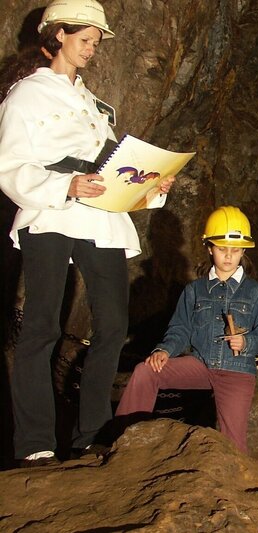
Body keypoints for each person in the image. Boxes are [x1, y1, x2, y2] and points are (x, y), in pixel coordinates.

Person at [0, 0, 175, 467]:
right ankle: (35, 443)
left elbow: (113, 171)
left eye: (97, 43)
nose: (92, 49)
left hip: (100, 215)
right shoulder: (25, 95)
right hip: (51, 210)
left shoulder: (97, 105)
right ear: (57, 36)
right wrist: (63, 184)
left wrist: (152, 185)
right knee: (41, 328)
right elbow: (10, 166)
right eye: (85, 40)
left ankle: (90, 434)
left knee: (114, 325)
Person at [113, 206, 258, 453]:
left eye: (235, 250)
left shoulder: (255, 293)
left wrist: (247, 343)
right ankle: (126, 444)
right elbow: (180, 328)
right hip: (201, 364)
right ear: (209, 248)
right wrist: (165, 350)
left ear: (243, 251)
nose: (229, 256)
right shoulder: (195, 290)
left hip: (236, 370)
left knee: (233, 443)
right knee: (147, 371)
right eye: (222, 249)